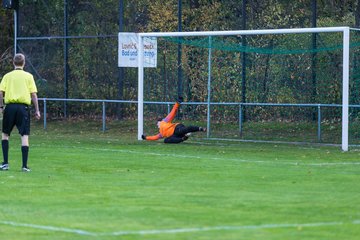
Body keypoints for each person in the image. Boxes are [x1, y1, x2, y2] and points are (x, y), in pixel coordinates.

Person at [0, 53, 41, 172]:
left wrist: (1, 106)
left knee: (5, 134)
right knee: (24, 135)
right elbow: (33, 94)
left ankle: (5, 163)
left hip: (10, 107)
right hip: (23, 108)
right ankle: (24, 166)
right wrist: (37, 110)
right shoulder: (28, 76)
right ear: (24, 63)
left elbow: (0, 92)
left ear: (13, 62)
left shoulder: (7, 76)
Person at [141, 97, 206, 143]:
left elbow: (173, 112)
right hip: (175, 135)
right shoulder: (161, 133)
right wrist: (146, 138)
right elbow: (154, 137)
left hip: (177, 128)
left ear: (160, 122)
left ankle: (200, 129)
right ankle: (183, 138)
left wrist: (177, 103)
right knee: (166, 140)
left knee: (184, 130)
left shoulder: (164, 121)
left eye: (157, 122)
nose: (157, 124)